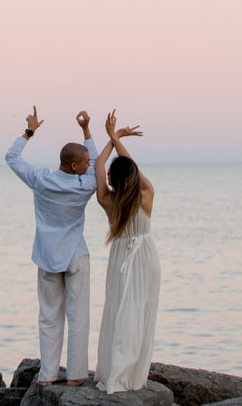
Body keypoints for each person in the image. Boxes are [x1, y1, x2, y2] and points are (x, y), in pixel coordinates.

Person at [5, 106, 98, 386]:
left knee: (48, 317)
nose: (86, 165)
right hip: (75, 256)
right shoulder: (86, 186)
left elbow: (11, 157)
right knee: (78, 315)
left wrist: (30, 131)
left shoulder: (40, 180)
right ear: (74, 167)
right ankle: (76, 376)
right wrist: (86, 130)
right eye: (82, 163)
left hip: (47, 256)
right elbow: (94, 161)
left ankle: (46, 376)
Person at [94, 110, 161, 393]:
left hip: (122, 257)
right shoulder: (146, 194)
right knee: (141, 312)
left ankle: (117, 371)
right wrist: (117, 138)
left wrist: (111, 138)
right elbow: (131, 167)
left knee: (119, 311)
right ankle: (134, 375)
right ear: (133, 175)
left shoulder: (107, 199)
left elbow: (98, 162)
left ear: (112, 178)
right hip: (146, 257)